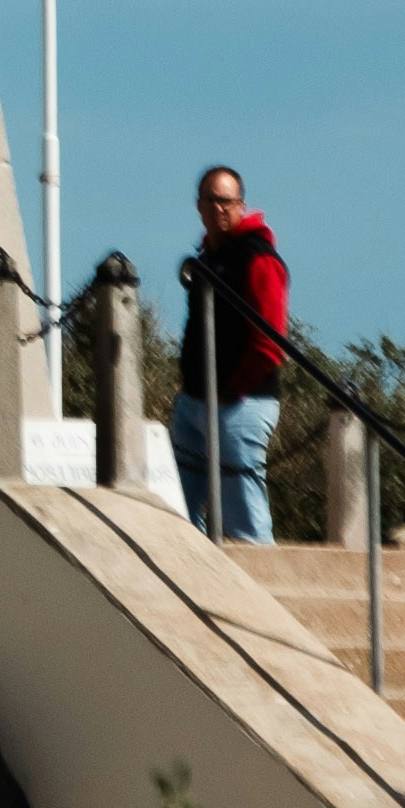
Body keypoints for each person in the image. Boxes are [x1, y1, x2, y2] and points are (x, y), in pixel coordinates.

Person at [174, 166, 287, 541]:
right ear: (199, 206)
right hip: (195, 400)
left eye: (228, 201)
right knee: (177, 510)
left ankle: (258, 593)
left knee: (244, 520)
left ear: (241, 205)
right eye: (213, 201)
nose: (220, 209)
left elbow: (271, 341)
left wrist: (232, 389)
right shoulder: (208, 259)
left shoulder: (258, 258)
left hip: (242, 404)